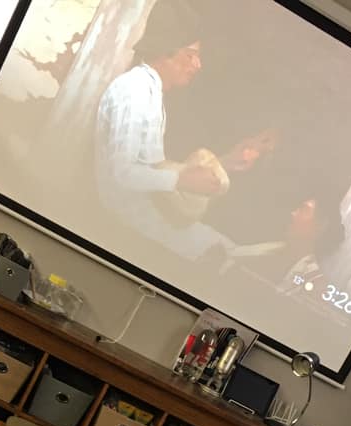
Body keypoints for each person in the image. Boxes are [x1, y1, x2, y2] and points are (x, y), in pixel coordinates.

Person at [93, 0, 275, 260]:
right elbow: (122, 173)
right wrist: (181, 180)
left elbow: (152, 168)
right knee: (222, 254)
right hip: (128, 219)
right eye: (191, 55)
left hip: (150, 212)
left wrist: (224, 163)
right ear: (164, 51)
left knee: (229, 249)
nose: (198, 65)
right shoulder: (134, 92)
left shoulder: (151, 92)